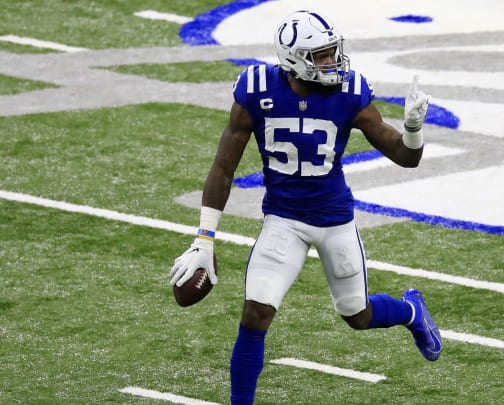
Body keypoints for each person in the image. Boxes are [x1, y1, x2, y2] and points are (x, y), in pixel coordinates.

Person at [169, 9, 441, 404]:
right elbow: (223, 168)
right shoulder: (256, 91)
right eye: (322, 55)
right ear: (294, 59)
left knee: (358, 316)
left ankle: (411, 312)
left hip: (334, 220)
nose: (332, 61)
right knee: (255, 313)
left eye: (333, 52)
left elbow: (405, 157)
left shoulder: (350, 94)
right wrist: (204, 237)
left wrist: (413, 131)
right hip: (283, 219)